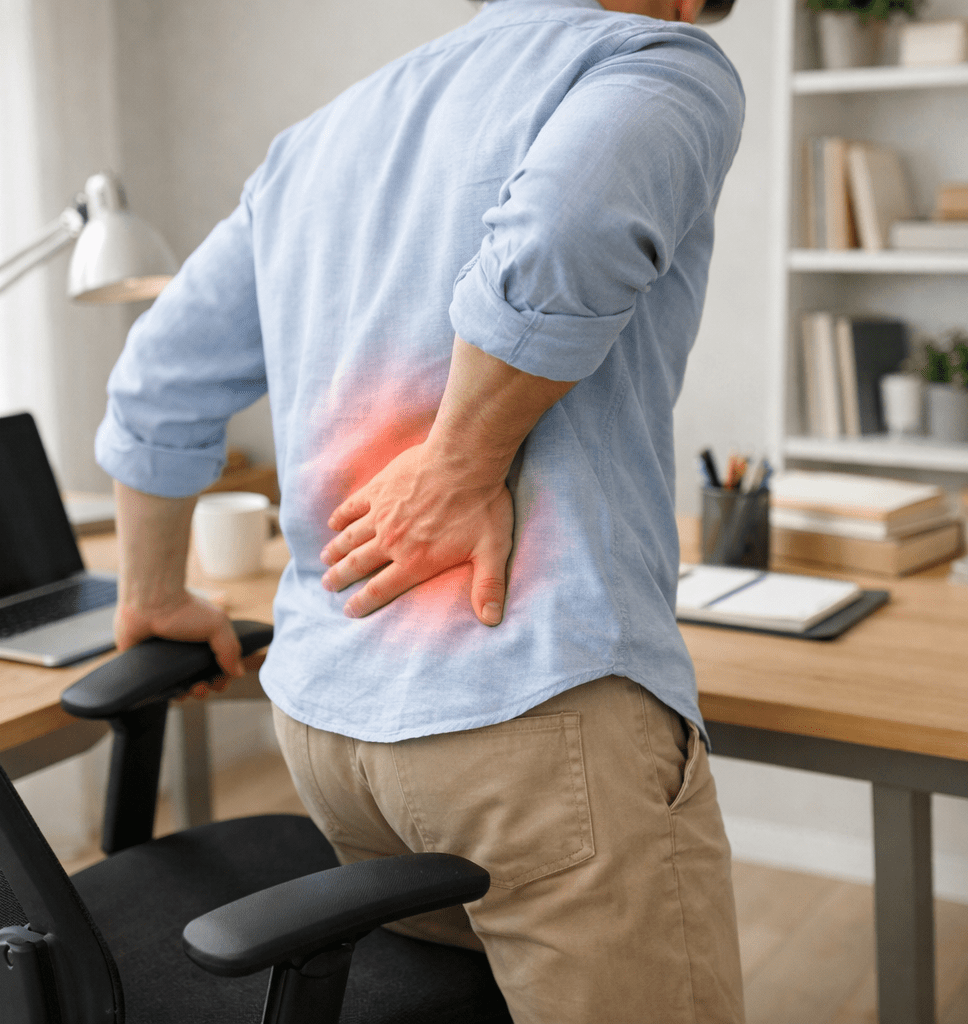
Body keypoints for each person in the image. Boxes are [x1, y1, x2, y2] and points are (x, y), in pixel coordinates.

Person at [96, 0, 746, 1019]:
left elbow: (156, 377)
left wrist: (151, 589)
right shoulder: (657, 62)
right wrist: (457, 463)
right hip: (528, 707)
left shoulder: (320, 139)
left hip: (331, 733)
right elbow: (568, 231)